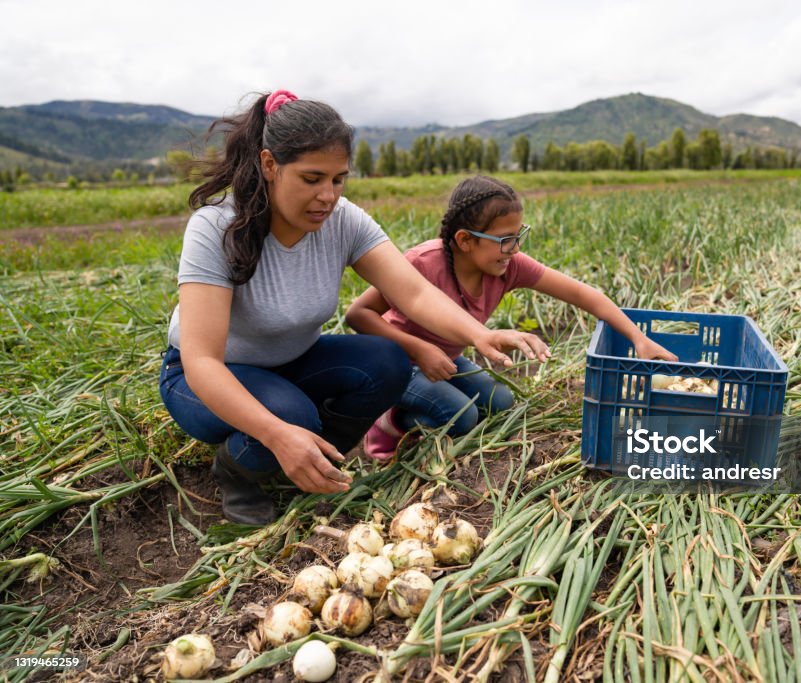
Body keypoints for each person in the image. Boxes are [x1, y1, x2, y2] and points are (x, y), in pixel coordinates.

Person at [159, 92, 548, 525]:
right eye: (311, 178)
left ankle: (314, 456)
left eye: (338, 179)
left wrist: (479, 335)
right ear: (270, 165)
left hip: (293, 361)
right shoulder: (218, 227)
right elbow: (202, 360)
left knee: (387, 359)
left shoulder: (343, 220)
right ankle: (238, 473)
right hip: (204, 378)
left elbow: (413, 293)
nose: (327, 195)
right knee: (289, 417)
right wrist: (277, 433)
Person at [345, 175, 677, 460]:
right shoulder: (422, 263)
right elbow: (357, 314)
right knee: (462, 417)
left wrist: (639, 339)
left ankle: (419, 413)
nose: (515, 249)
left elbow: (581, 294)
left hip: (445, 359)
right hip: (398, 364)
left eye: (519, 236)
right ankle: (389, 423)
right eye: (505, 240)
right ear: (465, 240)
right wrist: (418, 350)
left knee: (501, 403)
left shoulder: (508, 265)